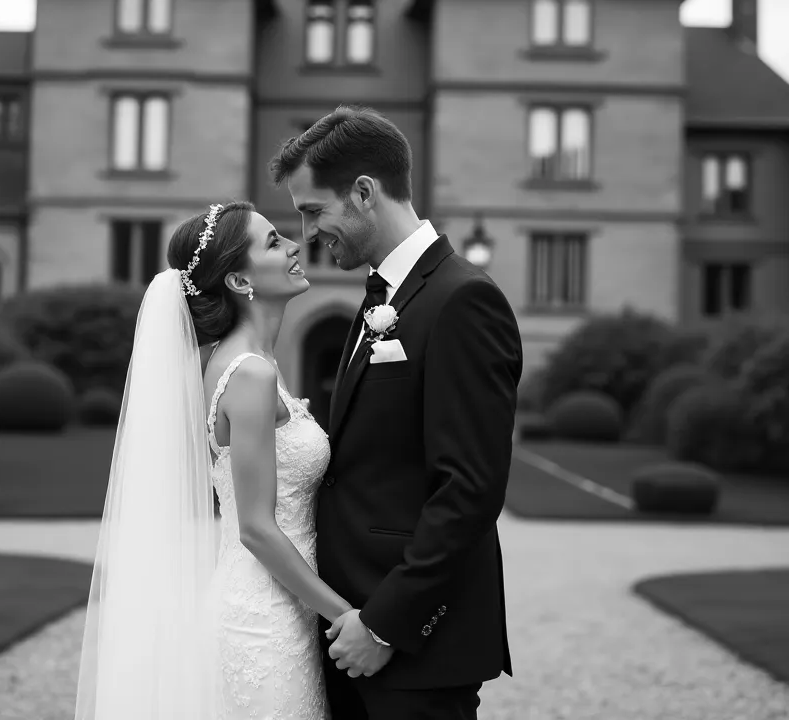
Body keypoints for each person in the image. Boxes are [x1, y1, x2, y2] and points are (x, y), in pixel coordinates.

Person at [270, 106, 522, 720]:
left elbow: (469, 490)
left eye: (312, 211)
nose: (305, 235)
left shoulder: (463, 300)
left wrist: (385, 626)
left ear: (363, 192)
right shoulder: (381, 297)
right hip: (349, 627)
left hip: (414, 646)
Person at [74, 200, 344, 720]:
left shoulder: (251, 365)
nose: (295, 245)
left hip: (282, 606)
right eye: (273, 242)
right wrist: (345, 615)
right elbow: (256, 529)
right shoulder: (251, 374)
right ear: (241, 283)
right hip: (265, 620)